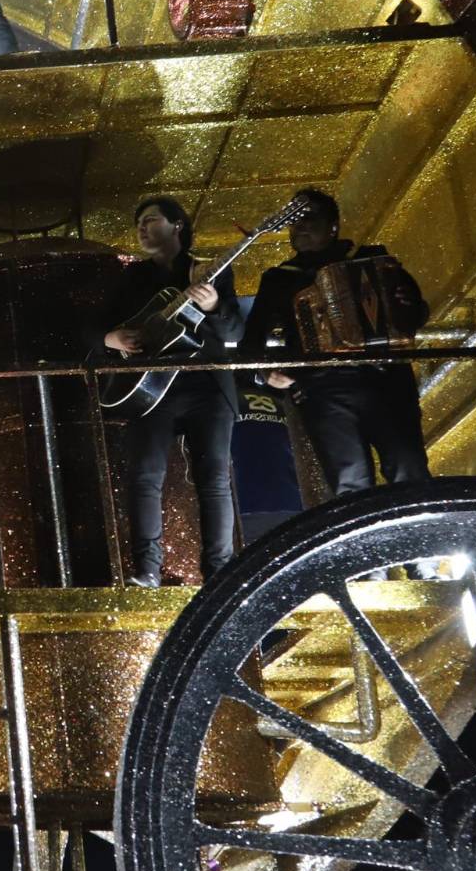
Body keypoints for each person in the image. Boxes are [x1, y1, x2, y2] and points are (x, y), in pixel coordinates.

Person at [241, 189, 431, 495]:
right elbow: (251, 342)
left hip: (386, 379)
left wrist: (407, 303)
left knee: (409, 469)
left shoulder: (374, 259)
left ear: (333, 226)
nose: (300, 226)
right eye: (294, 220)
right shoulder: (278, 279)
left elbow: (416, 316)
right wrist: (265, 370)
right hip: (322, 388)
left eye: (310, 218)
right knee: (349, 482)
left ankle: (423, 525)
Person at [99, 197, 243, 587]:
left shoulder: (208, 270)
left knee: (214, 477)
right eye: (138, 224)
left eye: (150, 220)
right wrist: (112, 338)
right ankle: (147, 570)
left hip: (207, 385)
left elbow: (234, 331)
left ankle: (219, 573)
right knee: (145, 476)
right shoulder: (130, 279)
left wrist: (214, 306)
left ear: (178, 225)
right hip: (149, 388)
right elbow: (94, 329)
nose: (142, 229)